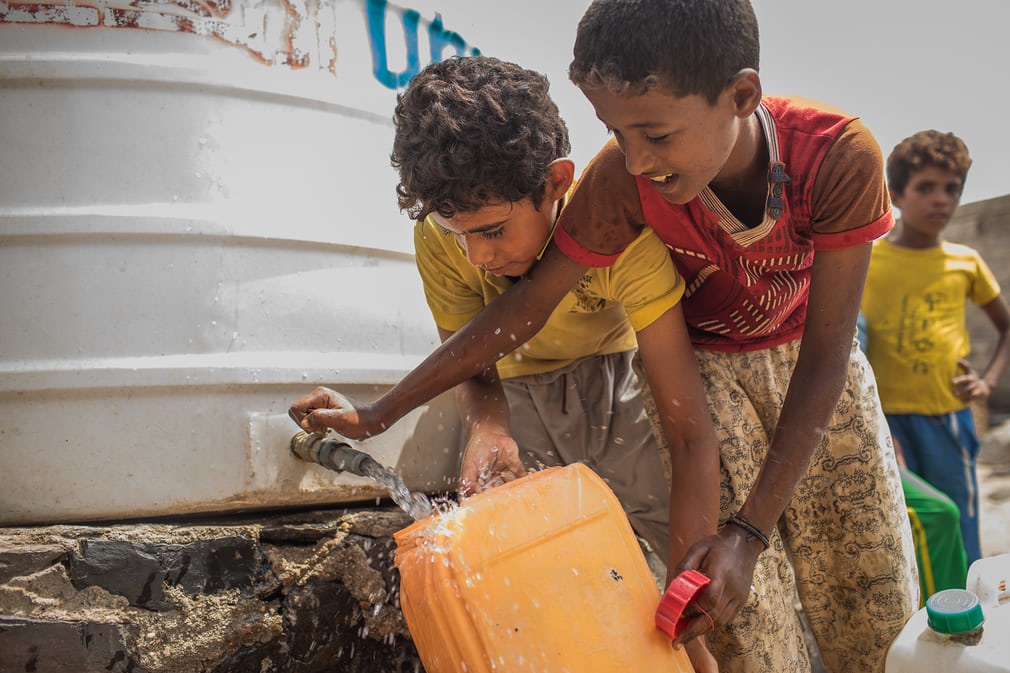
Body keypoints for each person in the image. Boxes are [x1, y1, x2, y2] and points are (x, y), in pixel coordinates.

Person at [292, 2, 919, 672]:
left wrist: (748, 529)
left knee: (866, 581)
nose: (637, 161)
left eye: (653, 134)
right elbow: (526, 309)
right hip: (708, 370)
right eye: (617, 135)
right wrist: (383, 411)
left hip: (800, 371)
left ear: (740, 94)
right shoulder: (620, 187)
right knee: (746, 615)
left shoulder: (835, 157)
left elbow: (821, 362)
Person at [292, 56, 719, 574]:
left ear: (556, 183)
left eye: (493, 231)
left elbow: (688, 427)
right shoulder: (438, 236)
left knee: (682, 547)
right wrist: (489, 431)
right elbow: (471, 363)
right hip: (513, 396)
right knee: (538, 570)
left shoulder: (620, 235)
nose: (476, 257)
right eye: (458, 233)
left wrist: (689, 597)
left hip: (619, 386)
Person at [861, 129, 1010, 567]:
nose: (942, 199)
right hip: (884, 422)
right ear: (897, 195)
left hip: (947, 418)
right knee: (900, 527)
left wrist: (988, 381)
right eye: (926, 187)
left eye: (952, 189)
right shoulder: (866, 261)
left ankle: (968, 613)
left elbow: (1006, 328)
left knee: (960, 521)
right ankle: (920, 618)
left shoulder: (965, 262)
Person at [858, 312, 970, 601]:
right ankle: (940, 624)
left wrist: (882, 433)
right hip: (831, 446)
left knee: (947, 512)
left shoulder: (856, 306)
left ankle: (952, 614)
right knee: (935, 515)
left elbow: (860, 380)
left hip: (869, 435)